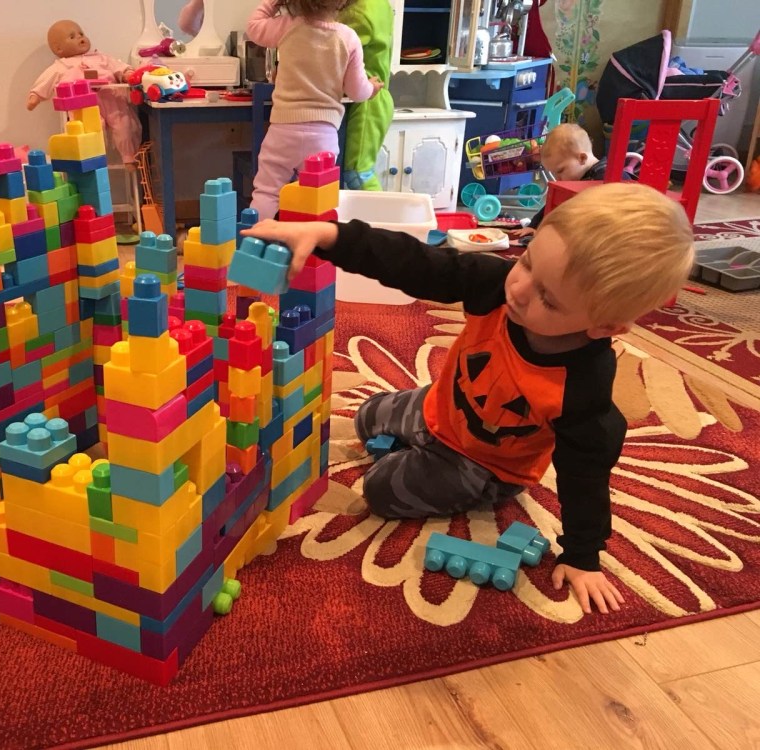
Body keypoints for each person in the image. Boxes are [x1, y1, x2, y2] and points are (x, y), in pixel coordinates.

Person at [242, 183, 694, 615]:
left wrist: (583, 555)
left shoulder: (582, 388)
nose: (519, 289)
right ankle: (418, 445)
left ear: (606, 326)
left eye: (549, 300)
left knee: (379, 489)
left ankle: (440, 472)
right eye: (527, 262)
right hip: (442, 406)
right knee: (366, 416)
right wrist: (330, 236)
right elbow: (417, 263)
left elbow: (586, 475)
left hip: (487, 465)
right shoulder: (496, 284)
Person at [246, 0, 383, 220]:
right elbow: (357, 91)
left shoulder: (288, 26)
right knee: (318, 198)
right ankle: (312, 238)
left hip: (283, 131)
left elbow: (254, 27)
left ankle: (259, 236)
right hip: (323, 136)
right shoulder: (348, 38)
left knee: (268, 191)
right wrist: (372, 88)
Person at [26, 20, 142, 167]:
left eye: (81, 34)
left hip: (112, 101)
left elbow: (118, 66)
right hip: (83, 107)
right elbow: (46, 80)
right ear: (59, 49)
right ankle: (93, 160)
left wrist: (127, 73)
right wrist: (35, 96)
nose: (80, 38)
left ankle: (129, 157)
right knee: (90, 132)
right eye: (72, 36)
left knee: (124, 125)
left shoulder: (101, 58)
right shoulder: (61, 66)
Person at [518, 122, 629, 236]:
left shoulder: (608, 177)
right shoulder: (578, 177)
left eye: (560, 171)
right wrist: (534, 226)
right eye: (554, 173)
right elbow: (553, 206)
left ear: (582, 158)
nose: (557, 179)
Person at [338, 0, 394, 190]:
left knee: (358, 173)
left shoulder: (356, 12)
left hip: (366, 101)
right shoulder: (381, 5)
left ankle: (379, 210)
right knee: (361, 171)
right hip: (377, 98)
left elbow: (337, 53)